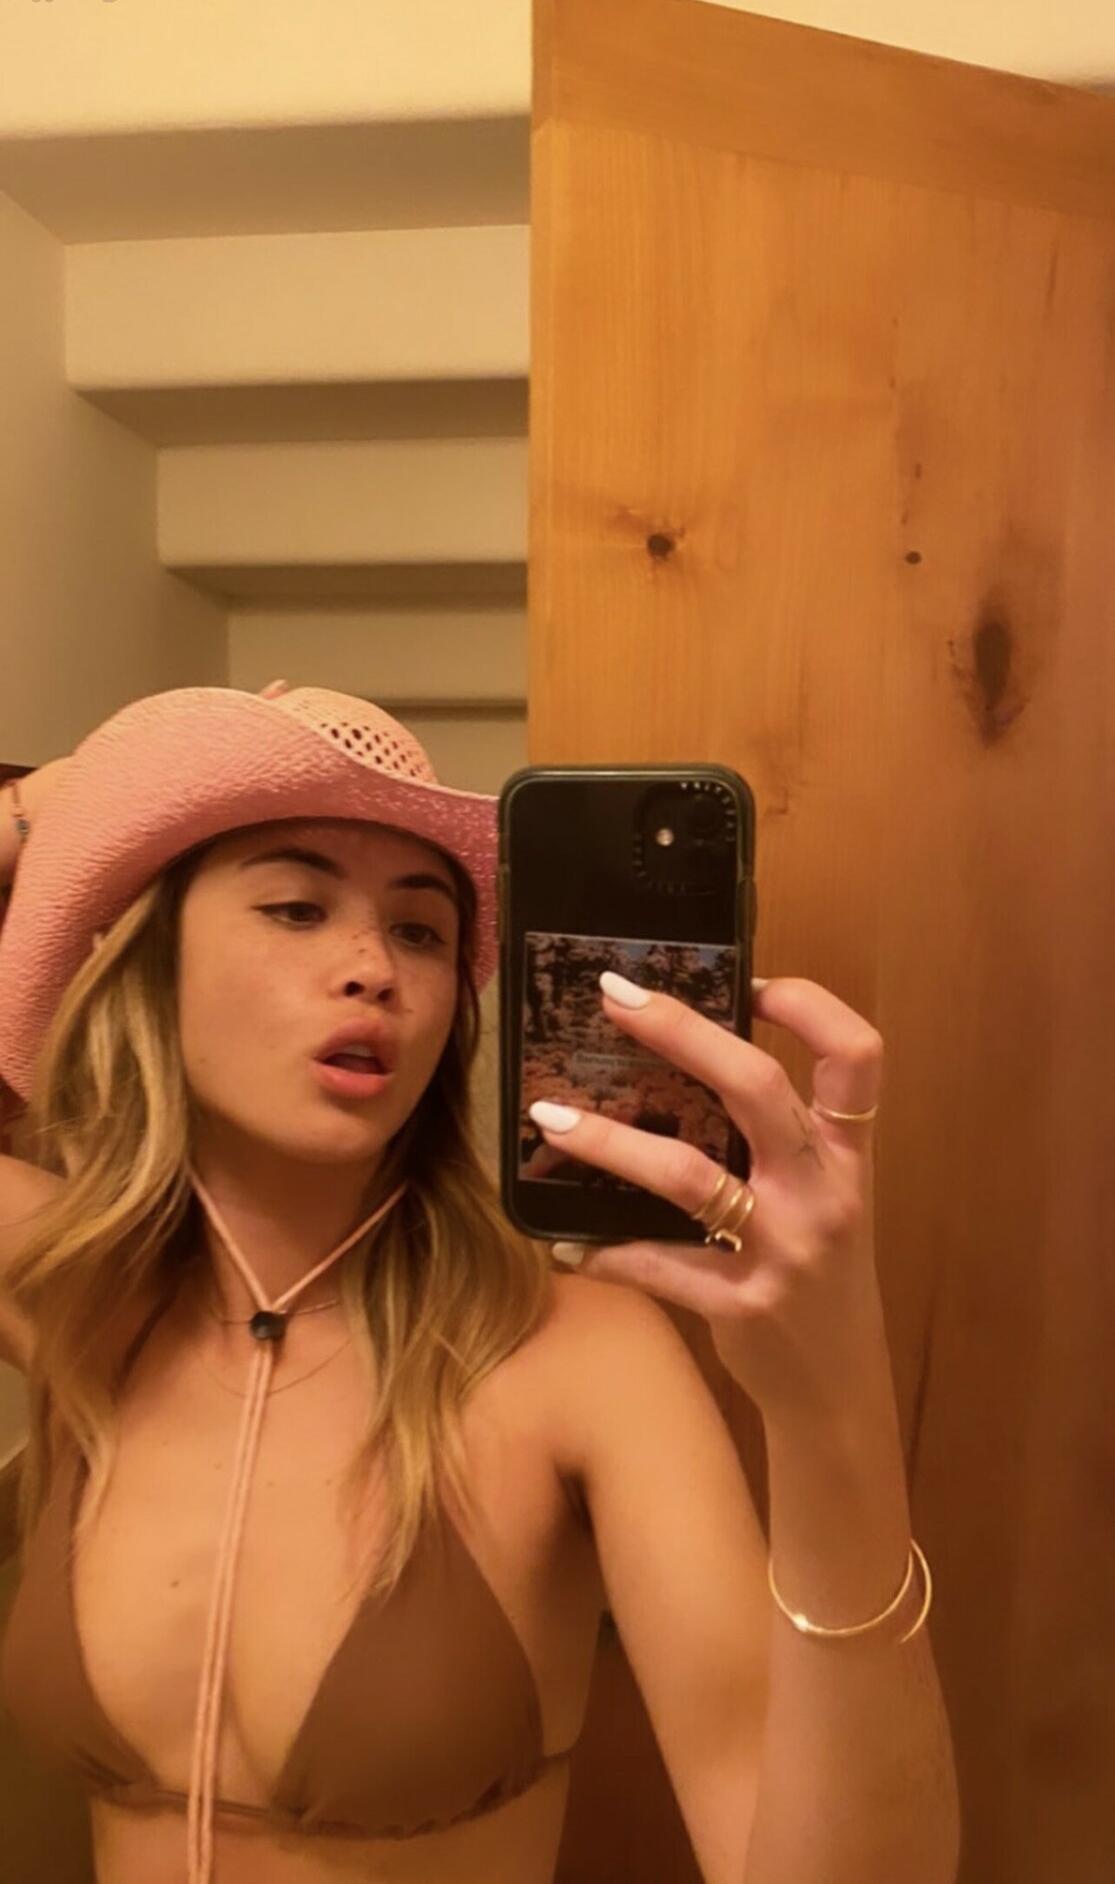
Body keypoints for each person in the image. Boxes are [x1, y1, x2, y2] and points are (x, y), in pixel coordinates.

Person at [0, 682, 960, 1884]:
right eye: (296, 907)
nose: (372, 967)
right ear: (143, 962)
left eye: (420, 931)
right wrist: (47, 814)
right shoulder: (77, 1287)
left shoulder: (577, 1356)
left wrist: (833, 1406)